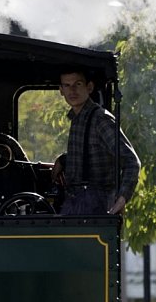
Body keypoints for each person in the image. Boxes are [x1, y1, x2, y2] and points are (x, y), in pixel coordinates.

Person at [53, 69, 140, 216]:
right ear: (61, 90)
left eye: (77, 84)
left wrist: (122, 198)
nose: (72, 90)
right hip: (76, 203)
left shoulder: (101, 120)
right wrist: (63, 160)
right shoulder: (78, 118)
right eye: (67, 85)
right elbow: (91, 152)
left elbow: (131, 161)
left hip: (96, 208)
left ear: (89, 87)